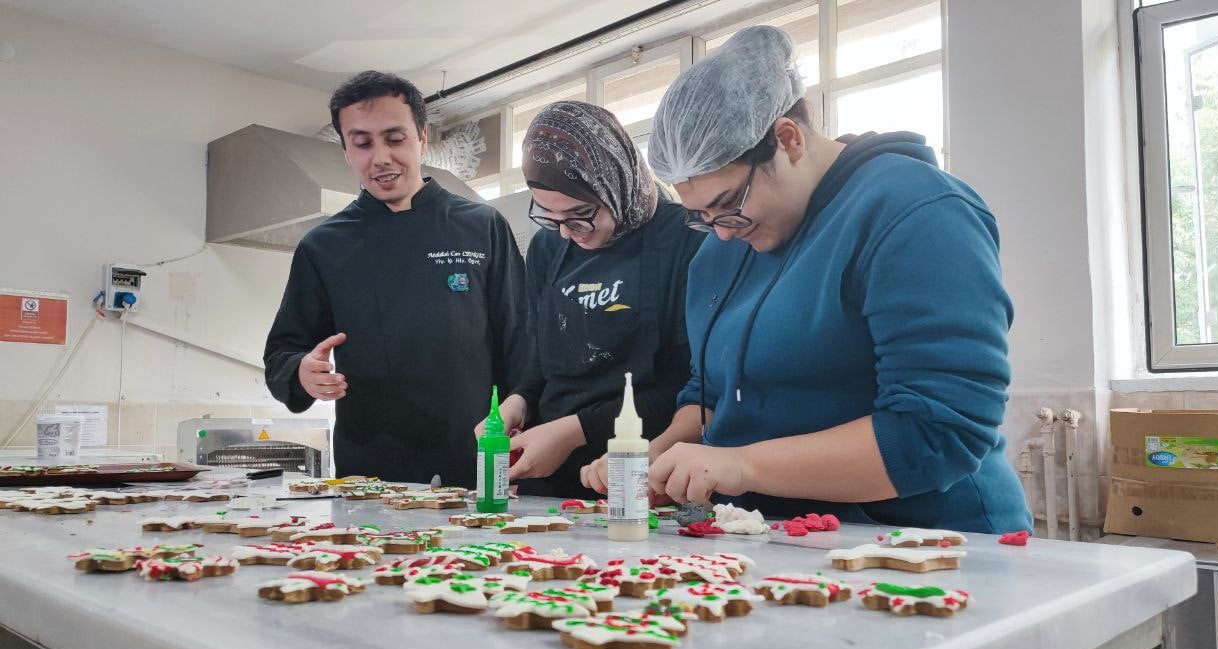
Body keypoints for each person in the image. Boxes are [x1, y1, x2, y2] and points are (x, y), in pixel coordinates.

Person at [582, 27, 1031, 533]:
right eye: (700, 215)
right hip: (784, 537)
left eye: (728, 205)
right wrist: (654, 459)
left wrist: (743, 464)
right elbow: (708, 397)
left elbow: (938, 431)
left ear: (788, 139)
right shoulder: (718, 254)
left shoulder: (913, 212)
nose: (721, 233)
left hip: (929, 542)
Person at [265, 71, 526, 486]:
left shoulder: (481, 226)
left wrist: (521, 437)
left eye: (395, 138)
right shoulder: (324, 245)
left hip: (476, 467)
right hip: (370, 475)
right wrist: (301, 372)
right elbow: (282, 353)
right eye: (362, 143)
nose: (380, 157)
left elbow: (521, 343)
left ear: (422, 138)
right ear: (347, 152)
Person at [479, 101, 703, 498]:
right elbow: (541, 364)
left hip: (643, 472)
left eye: (580, 213)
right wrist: (518, 403)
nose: (568, 233)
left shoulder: (685, 236)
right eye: (549, 216)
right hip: (549, 473)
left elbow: (688, 385)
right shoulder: (548, 247)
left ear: (616, 180)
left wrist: (574, 431)